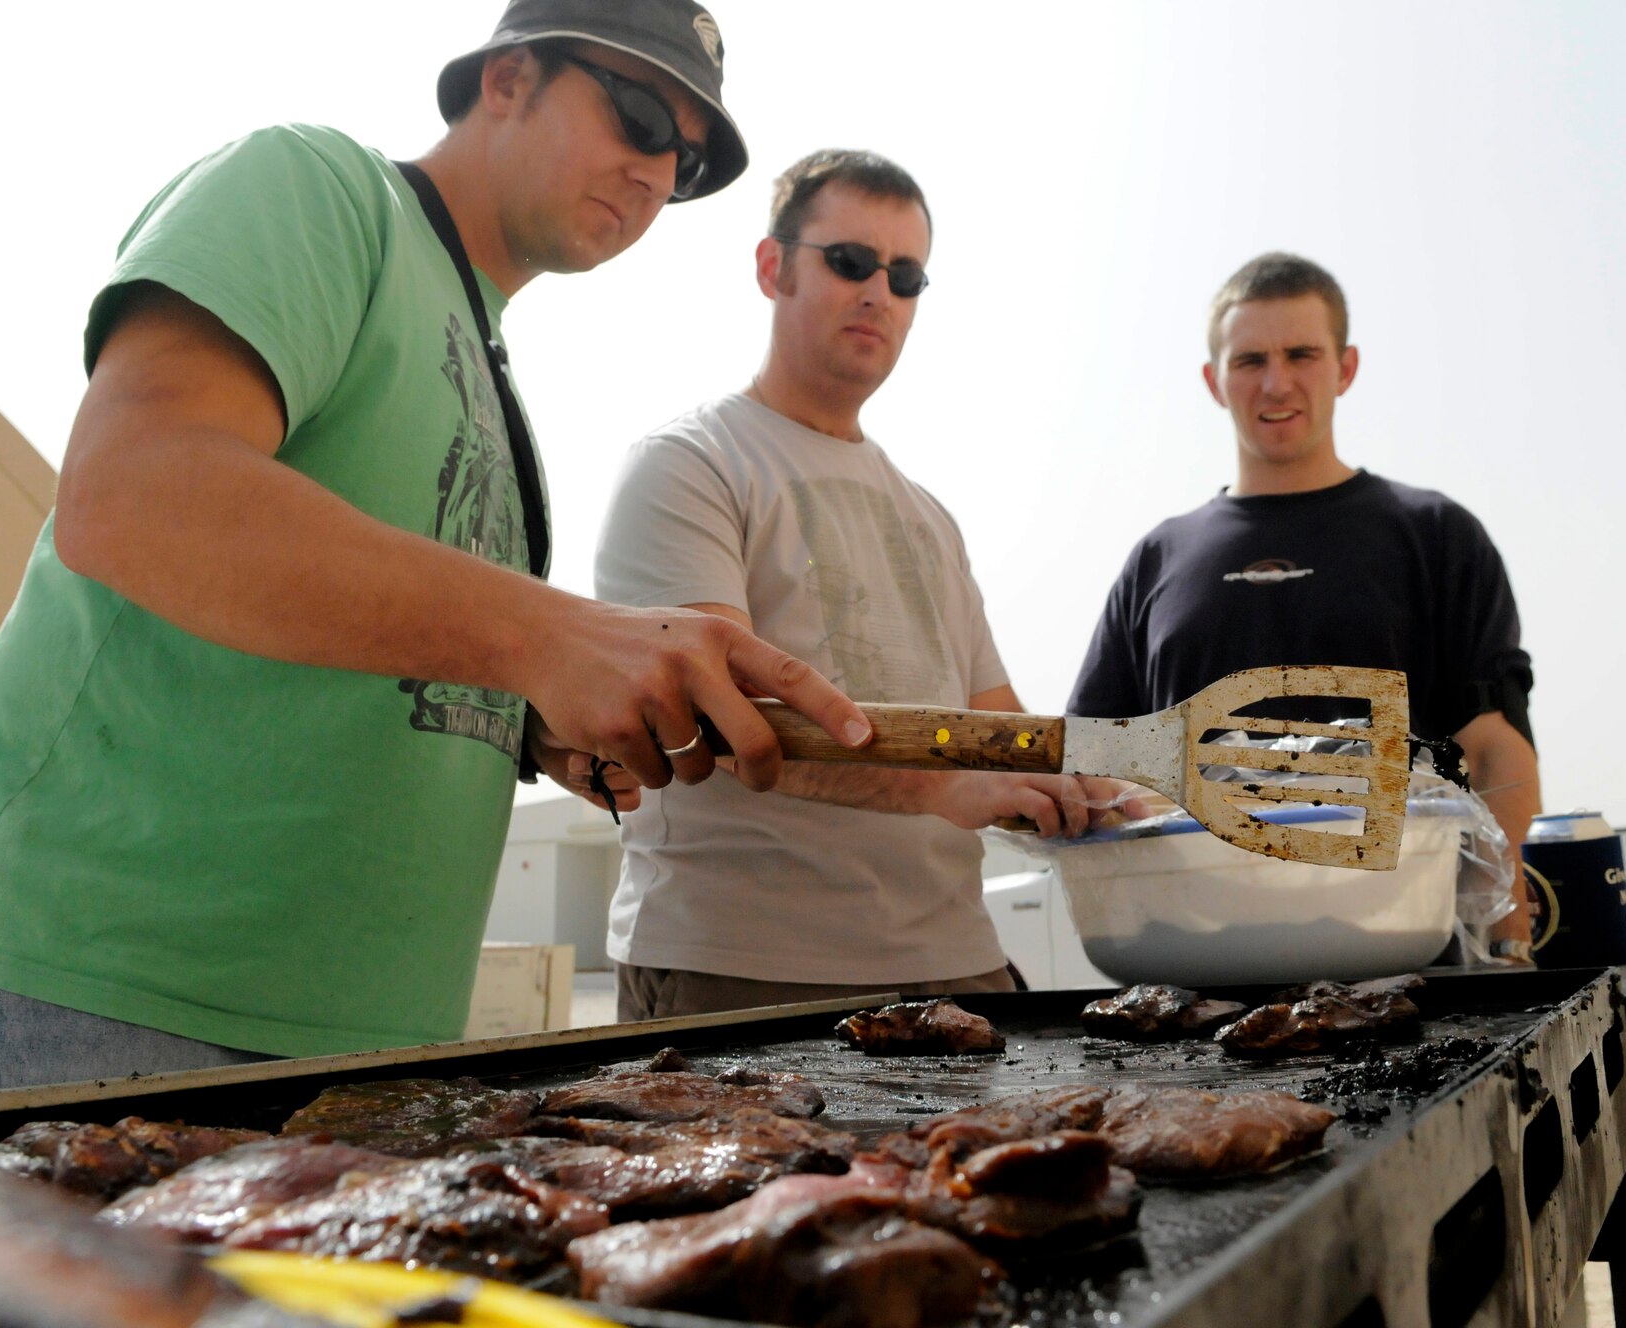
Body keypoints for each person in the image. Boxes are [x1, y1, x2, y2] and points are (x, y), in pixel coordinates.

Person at [0, 0, 875, 1097]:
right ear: (504, 81)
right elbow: (132, 492)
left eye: (684, 162)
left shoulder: (496, 388)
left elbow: (394, 643)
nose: (654, 171)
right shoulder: (315, 186)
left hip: (361, 1056)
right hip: (95, 1007)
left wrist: (530, 713)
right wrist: (549, 631)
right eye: (638, 113)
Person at [594, 150, 1135, 1021]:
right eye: (849, 261)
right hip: (742, 971)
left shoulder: (929, 516)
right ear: (773, 267)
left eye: (906, 274)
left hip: (959, 967)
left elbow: (1001, 730)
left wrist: (1108, 784)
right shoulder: (690, 465)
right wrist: (950, 785)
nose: (878, 291)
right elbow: (716, 719)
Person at [1069, 252, 1540, 952]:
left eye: (1301, 354)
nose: (1276, 382)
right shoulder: (1157, 560)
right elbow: (1094, 764)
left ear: (1346, 367)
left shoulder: (1436, 535)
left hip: (1406, 949)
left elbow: (1496, 749)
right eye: (1249, 359)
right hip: (1198, 960)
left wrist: (1503, 915)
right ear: (1213, 380)